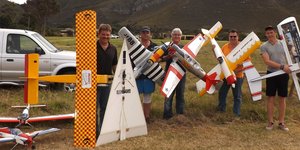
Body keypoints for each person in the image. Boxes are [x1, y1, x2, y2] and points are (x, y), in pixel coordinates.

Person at [260, 26, 290, 131]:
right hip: (271, 74)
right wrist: (282, 66)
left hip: (283, 74)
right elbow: (267, 61)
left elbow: (290, 55)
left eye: (271, 32)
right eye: (267, 33)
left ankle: (281, 122)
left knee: (282, 98)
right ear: (265, 35)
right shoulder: (263, 46)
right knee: (271, 98)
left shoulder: (283, 44)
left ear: (275, 33)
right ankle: (270, 122)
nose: (269, 35)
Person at [217, 29, 246, 117]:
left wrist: (241, 64)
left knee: (237, 95)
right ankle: (221, 110)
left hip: (238, 76)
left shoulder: (243, 47)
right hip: (227, 75)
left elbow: (248, 61)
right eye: (231, 36)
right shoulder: (225, 47)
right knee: (222, 93)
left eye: (234, 36)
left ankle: (236, 113)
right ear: (229, 37)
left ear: (238, 37)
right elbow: (220, 59)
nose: (233, 38)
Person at [96, 24, 118, 137]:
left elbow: (114, 65)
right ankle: (94, 132)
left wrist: (118, 77)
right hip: (93, 83)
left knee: (105, 108)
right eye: (103, 34)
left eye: (107, 35)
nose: (105, 37)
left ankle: (103, 131)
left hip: (107, 83)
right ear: (99, 34)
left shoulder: (113, 49)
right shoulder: (92, 47)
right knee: (93, 109)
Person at [163, 28, 186, 119]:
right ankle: (167, 114)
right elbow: (162, 59)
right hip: (170, 73)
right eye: (175, 34)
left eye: (178, 35)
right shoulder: (167, 46)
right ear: (171, 36)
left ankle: (180, 114)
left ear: (181, 37)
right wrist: (169, 56)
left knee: (180, 94)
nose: (177, 36)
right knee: (168, 93)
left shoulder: (184, 47)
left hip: (181, 73)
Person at [136, 26, 157, 123]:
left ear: (150, 34)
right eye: (143, 32)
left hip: (150, 75)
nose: (145, 34)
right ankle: (136, 117)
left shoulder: (155, 46)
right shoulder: (135, 46)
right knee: (135, 96)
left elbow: (160, 58)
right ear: (140, 34)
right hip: (137, 75)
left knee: (147, 96)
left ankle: (146, 116)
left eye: (147, 32)